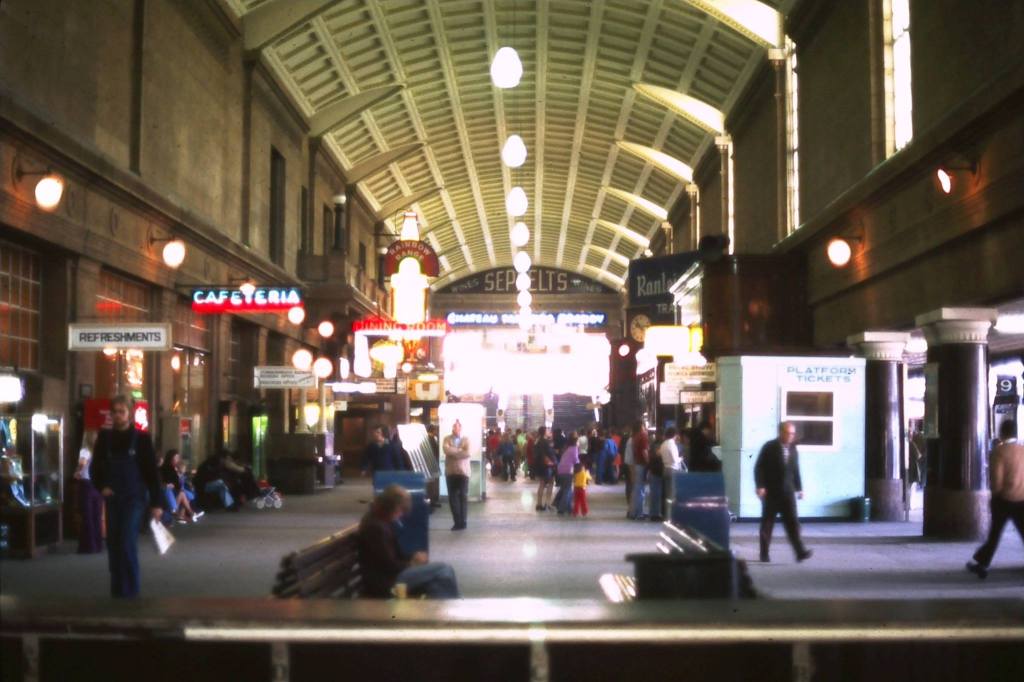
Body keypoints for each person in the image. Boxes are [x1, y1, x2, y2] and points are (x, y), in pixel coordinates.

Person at [89, 395, 163, 598]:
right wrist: (101, 486)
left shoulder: (142, 439)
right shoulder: (104, 438)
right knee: (113, 543)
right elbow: (95, 468)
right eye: (114, 412)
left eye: (121, 411)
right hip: (113, 498)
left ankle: (130, 591)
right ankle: (117, 590)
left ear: (129, 413)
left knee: (127, 542)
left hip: (135, 498)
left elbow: (151, 473)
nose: (117, 416)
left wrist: (157, 502)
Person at [357, 484, 460, 598]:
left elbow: (393, 556)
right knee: (444, 569)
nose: (400, 515)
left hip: (389, 576)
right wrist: (412, 564)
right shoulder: (375, 527)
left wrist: (412, 557)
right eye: (400, 511)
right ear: (391, 507)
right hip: (387, 581)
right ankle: (456, 606)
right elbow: (388, 565)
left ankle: (447, 610)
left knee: (437, 584)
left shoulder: (380, 520)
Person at [967, 420, 1024, 579]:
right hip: (1022, 500)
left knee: (995, 534)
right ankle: (982, 562)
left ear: (1002, 432)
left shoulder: (999, 452)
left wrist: (995, 495)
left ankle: (982, 564)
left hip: (1004, 500)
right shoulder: (1022, 450)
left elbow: (996, 480)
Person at [754, 421, 812, 563]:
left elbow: (795, 470)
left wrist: (799, 488)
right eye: (788, 433)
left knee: (793, 522)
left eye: (793, 433)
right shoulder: (769, 447)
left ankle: (800, 552)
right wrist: (760, 486)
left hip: (788, 492)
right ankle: (764, 554)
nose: (791, 436)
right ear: (780, 432)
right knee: (768, 524)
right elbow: (759, 467)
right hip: (771, 492)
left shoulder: (793, 449)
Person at [74, 432, 103, 554]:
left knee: (87, 515)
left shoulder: (85, 450)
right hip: (98, 484)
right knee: (96, 515)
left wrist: (77, 472)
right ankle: (97, 544)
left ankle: (88, 545)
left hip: (86, 484)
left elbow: (82, 463)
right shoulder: (100, 452)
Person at [442, 420, 470, 530]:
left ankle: (463, 521)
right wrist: (459, 451)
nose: (455, 428)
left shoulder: (466, 439)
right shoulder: (446, 439)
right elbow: (446, 450)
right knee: (452, 498)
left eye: (457, 427)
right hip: (451, 472)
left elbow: (467, 453)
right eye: (454, 426)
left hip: (463, 472)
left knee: (463, 497)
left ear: (461, 428)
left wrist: (454, 452)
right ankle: (457, 522)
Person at [654, 427, 683, 521]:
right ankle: (670, 517)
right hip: (673, 470)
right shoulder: (672, 444)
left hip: (665, 469)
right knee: (672, 494)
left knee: (667, 494)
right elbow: (675, 459)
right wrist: (681, 458)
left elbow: (659, 454)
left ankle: (666, 515)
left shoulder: (663, 444)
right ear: (675, 434)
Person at [553, 430, 579, 515]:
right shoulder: (574, 448)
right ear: (575, 441)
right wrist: (580, 466)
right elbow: (575, 459)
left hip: (560, 469)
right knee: (568, 490)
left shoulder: (567, 447)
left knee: (565, 489)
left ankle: (567, 508)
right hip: (567, 470)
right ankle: (561, 508)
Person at [629, 421, 650, 520]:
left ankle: (634, 512)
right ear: (642, 426)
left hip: (637, 464)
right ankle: (639, 513)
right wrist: (649, 462)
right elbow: (644, 451)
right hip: (641, 465)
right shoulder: (643, 435)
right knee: (641, 490)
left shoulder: (635, 437)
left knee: (637, 490)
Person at [534, 426, 556, 511]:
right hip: (547, 466)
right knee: (551, 482)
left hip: (539, 465)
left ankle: (539, 504)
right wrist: (554, 461)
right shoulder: (545, 442)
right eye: (547, 430)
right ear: (544, 432)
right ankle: (548, 503)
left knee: (542, 484)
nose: (548, 432)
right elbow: (550, 453)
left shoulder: (537, 441)